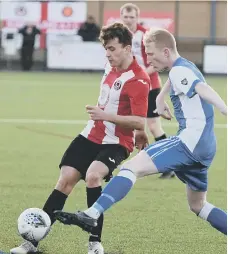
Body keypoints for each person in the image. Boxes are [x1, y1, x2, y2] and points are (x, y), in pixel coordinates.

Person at [54, 28, 227, 241]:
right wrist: (160, 98)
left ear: (165, 52)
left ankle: (92, 213)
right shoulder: (184, 66)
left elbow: (202, 88)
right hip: (206, 147)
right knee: (198, 205)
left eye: (151, 54)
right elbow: (177, 80)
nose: (148, 59)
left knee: (130, 168)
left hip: (189, 142)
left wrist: (223, 107)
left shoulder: (179, 71)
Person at [10, 23, 150, 254]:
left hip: (117, 142)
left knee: (94, 176)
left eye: (113, 49)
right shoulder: (110, 66)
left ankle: (95, 243)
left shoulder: (138, 79)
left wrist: (107, 116)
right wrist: (102, 116)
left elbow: (139, 122)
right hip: (91, 134)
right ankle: (33, 242)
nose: (108, 54)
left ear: (127, 48)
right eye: (106, 49)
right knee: (65, 180)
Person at [120, 3, 174, 179]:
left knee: (153, 125)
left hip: (150, 85)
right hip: (130, 85)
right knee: (128, 122)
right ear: (122, 17)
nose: (128, 20)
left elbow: (156, 62)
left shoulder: (145, 35)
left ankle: (169, 163)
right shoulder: (120, 35)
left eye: (131, 17)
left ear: (137, 17)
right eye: (125, 17)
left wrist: (139, 75)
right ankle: (133, 162)